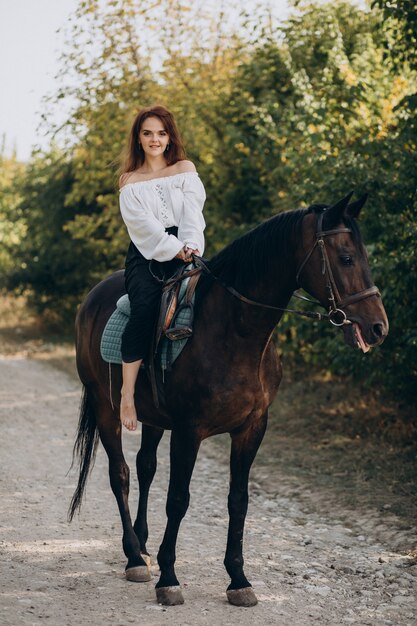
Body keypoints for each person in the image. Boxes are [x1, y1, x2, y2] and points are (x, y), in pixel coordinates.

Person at [118, 105, 206, 432]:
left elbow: (192, 214)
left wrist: (192, 246)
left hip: (187, 244)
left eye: (161, 133)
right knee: (144, 310)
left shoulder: (184, 168)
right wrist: (174, 250)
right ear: (138, 139)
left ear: (169, 137)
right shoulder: (129, 181)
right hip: (147, 253)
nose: (155, 139)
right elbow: (142, 228)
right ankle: (128, 394)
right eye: (147, 133)